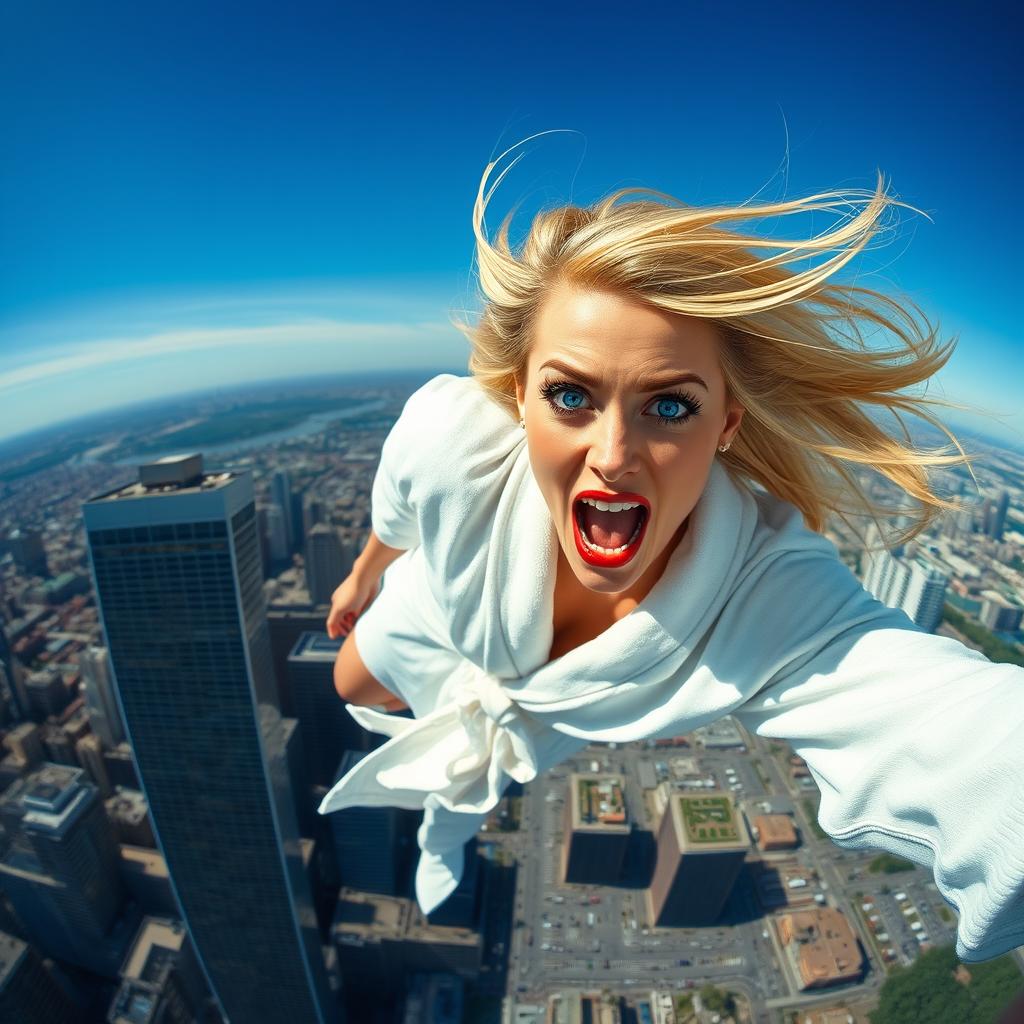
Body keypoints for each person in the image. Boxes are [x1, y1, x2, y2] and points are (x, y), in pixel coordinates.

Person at [318, 137, 1023, 963]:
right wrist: (366, 575)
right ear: (518, 396)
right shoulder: (448, 438)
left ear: (727, 425)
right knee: (347, 680)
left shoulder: (764, 587)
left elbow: (960, 731)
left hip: (544, 715)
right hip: (443, 601)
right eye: (570, 395)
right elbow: (397, 508)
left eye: (671, 408)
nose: (614, 455)